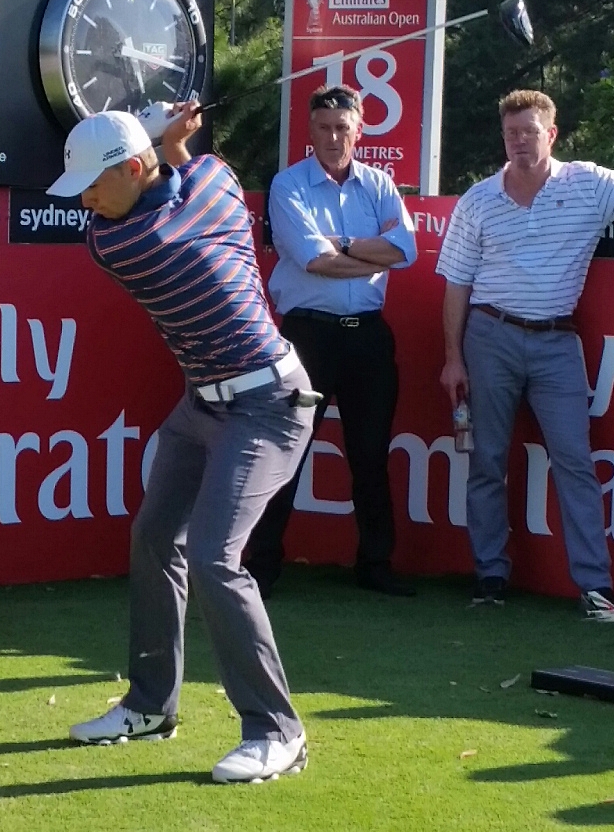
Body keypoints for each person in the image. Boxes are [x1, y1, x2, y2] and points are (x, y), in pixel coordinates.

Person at [46, 104, 318, 783]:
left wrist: (160, 135)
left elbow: (160, 192)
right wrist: (169, 142)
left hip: (269, 406)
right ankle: (149, 703)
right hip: (203, 403)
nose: (86, 200)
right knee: (154, 534)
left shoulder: (125, 243)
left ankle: (277, 730)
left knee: (214, 555)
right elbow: (182, 175)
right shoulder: (218, 187)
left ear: (134, 169)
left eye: (94, 185)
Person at [437, 89, 614, 619]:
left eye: (529, 131)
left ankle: (594, 586)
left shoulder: (590, 184)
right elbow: (456, 286)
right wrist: (453, 357)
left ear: (551, 134)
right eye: (511, 132)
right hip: (489, 336)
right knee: (487, 460)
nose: (519, 141)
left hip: (558, 341)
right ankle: (490, 574)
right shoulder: (478, 199)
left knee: (574, 462)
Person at [245, 83, 417, 599]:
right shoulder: (288, 185)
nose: (333, 137)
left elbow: (405, 249)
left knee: (370, 454)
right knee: (286, 452)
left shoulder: (380, 185)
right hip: (307, 338)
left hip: (368, 339)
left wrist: (340, 243)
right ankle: (262, 565)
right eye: (323, 127)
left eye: (343, 127)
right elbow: (310, 260)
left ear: (359, 130)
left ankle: (375, 565)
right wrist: (368, 256)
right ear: (310, 132)